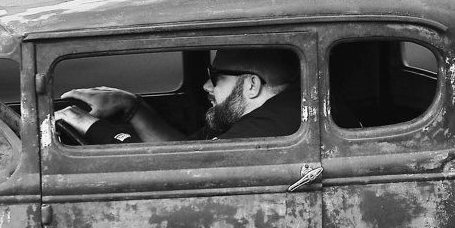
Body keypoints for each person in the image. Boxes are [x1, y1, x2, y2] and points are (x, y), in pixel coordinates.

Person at [60, 48, 300, 143]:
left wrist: (86, 124)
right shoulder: (240, 116)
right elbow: (180, 153)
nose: (206, 85)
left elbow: (181, 167)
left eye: (215, 77)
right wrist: (131, 106)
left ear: (251, 85)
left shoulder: (267, 129)